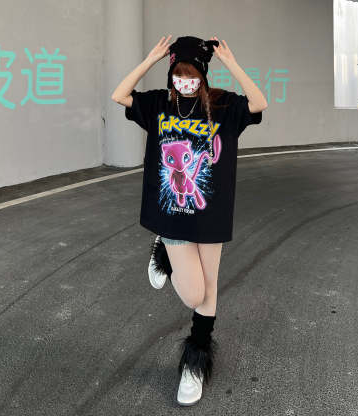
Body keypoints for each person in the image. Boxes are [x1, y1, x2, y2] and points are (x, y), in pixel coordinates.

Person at [111, 35, 268, 406]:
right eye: (179, 75)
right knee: (194, 294)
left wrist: (230, 62)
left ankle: (194, 363)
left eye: (193, 75)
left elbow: (259, 103)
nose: (186, 82)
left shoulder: (223, 105)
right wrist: (150, 60)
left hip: (211, 214)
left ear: (202, 75)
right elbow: (120, 95)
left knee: (208, 289)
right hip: (172, 215)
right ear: (171, 75)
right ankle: (163, 247)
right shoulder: (159, 104)